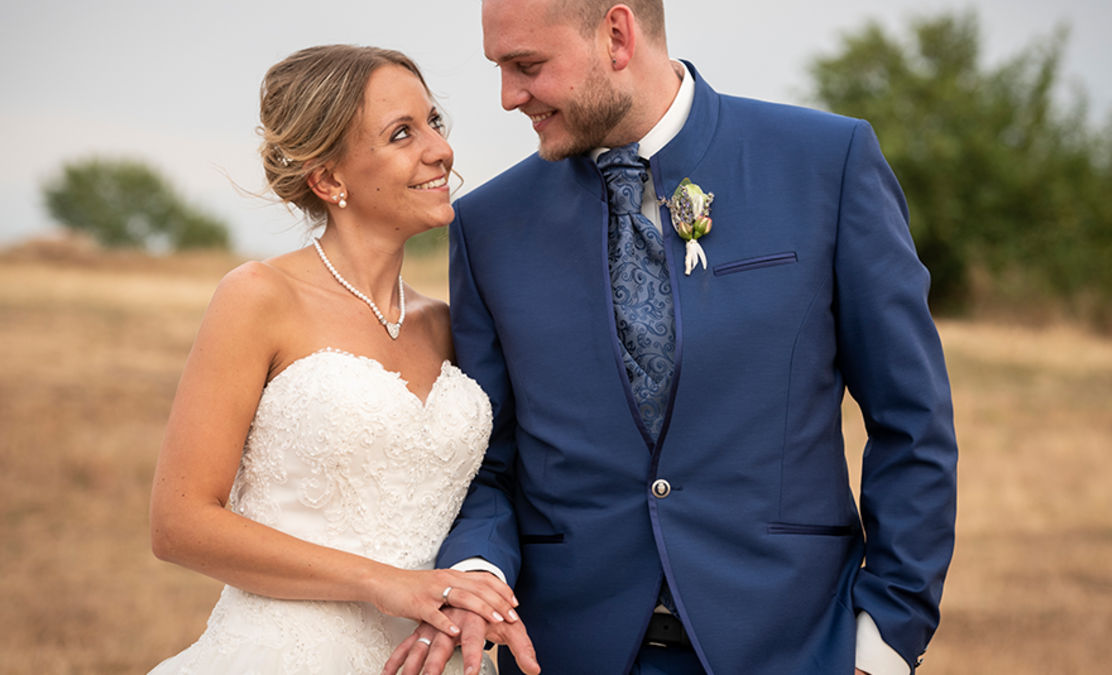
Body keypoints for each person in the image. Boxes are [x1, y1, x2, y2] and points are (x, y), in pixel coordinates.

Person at [386, 1, 958, 674]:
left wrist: (884, 640)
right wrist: (478, 569)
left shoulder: (826, 163)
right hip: (566, 653)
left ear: (618, 36)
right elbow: (486, 458)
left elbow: (911, 420)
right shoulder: (487, 225)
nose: (510, 96)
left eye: (527, 66)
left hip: (797, 646)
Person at [145, 44, 527, 675]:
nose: (439, 150)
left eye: (435, 122)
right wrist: (386, 583)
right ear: (329, 179)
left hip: (426, 657)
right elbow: (179, 524)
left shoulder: (448, 325)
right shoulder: (260, 297)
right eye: (402, 134)